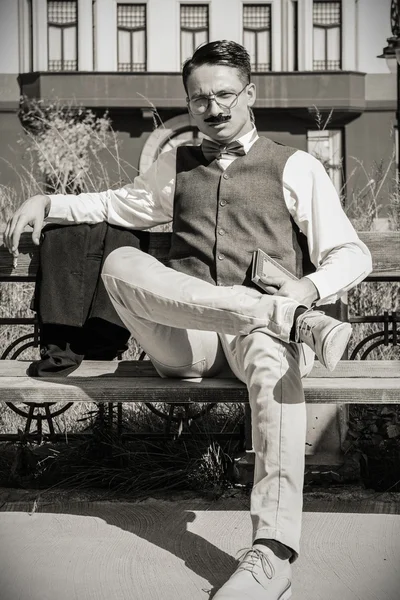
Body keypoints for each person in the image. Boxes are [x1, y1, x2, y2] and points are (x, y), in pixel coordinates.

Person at [5, 40, 372, 600]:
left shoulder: (295, 165)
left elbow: (352, 253)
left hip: (259, 337)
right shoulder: (172, 168)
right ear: (189, 102)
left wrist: (307, 288)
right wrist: (49, 204)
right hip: (192, 342)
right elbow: (111, 206)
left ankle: (271, 556)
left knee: (276, 368)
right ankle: (292, 320)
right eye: (200, 99)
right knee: (122, 262)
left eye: (225, 94)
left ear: (250, 94)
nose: (215, 108)